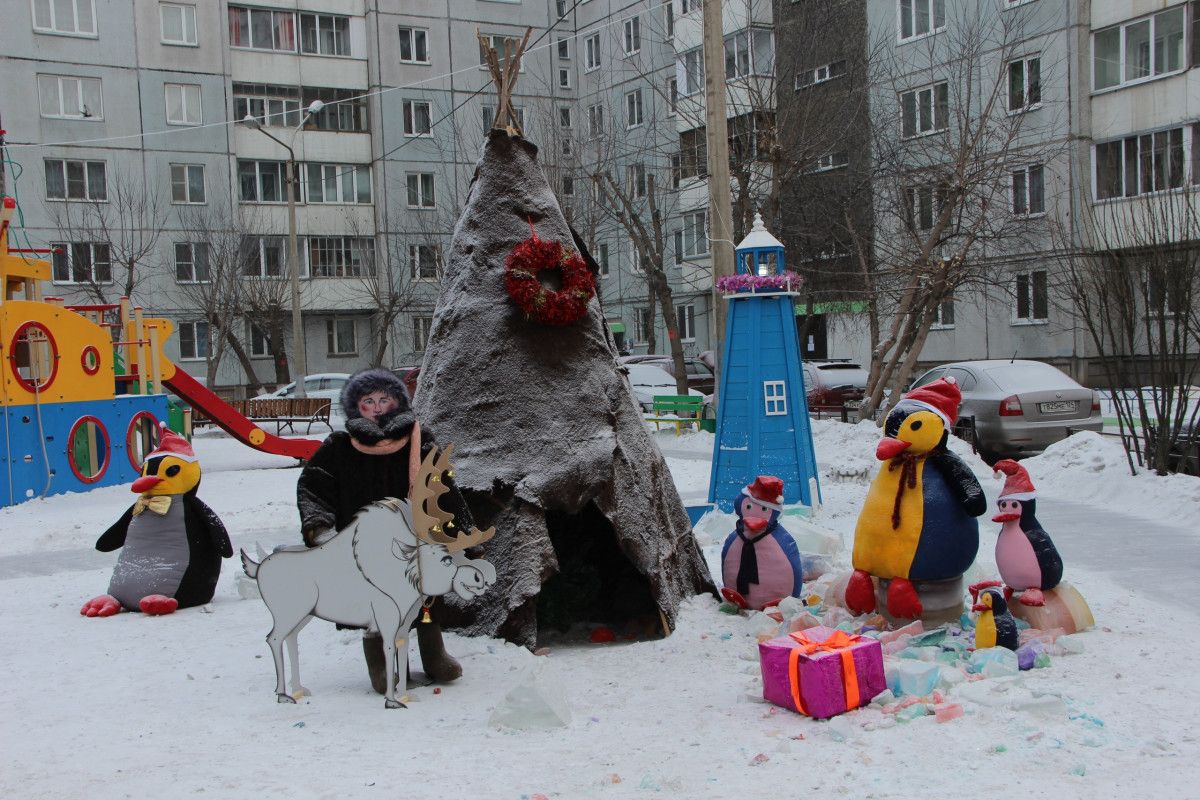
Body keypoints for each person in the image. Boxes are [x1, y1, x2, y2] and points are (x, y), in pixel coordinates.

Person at [296, 367, 473, 694]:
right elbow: (314, 487)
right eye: (368, 401)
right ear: (355, 407)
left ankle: (434, 655)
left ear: (398, 403)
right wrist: (319, 527)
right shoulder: (340, 448)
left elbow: (443, 488)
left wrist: (463, 532)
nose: (377, 407)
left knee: (423, 599)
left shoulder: (419, 442)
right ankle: (385, 665)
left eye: (385, 399)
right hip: (366, 544)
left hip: (416, 540)